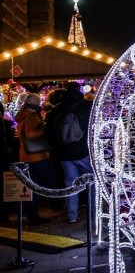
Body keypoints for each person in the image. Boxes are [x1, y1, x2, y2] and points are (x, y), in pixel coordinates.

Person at [45, 83, 93, 223]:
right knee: (92, 181)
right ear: (79, 90)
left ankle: (72, 215)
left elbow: (49, 133)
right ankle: (94, 214)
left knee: (70, 184)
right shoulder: (87, 106)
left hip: (63, 153)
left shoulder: (55, 110)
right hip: (83, 150)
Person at [14, 93, 57, 225]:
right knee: (48, 181)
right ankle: (32, 209)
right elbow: (31, 134)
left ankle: (32, 213)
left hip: (26, 155)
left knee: (34, 184)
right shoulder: (32, 116)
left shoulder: (23, 115)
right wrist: (45, 129)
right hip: (37, 156)